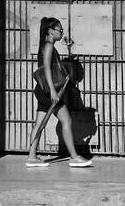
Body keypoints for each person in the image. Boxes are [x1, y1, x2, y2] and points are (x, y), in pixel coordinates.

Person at [26, 17, 92, 168]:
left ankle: (31, 157)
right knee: (66, 120)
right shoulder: (49, 46)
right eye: (59, 30)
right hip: (50, 91)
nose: (62, 33)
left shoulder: (46, 46)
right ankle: (74, 157)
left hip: (42, 90)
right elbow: (48, 69)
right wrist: (53, 92)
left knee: (40, 123)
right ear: (50, 31)